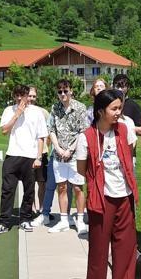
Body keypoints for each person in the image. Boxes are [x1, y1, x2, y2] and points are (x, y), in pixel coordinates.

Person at [76, 88, 139, 279]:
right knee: (99, 247)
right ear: (101, 111)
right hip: (101, 197)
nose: (118, 113)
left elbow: (129, 156)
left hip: (125, 196)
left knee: (125, 247)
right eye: (114, 109)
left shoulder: (125, 129)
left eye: (120, 108)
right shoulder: (86, 137)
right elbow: (82, 169)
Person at [0, 84, 47, 234]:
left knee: (29, 191)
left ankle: (25, 219)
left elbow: (41, 137)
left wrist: (39, 157)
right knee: (7, 190)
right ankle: (4, 222)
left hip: (30, 157)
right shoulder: (8, 110)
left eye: (22, 95)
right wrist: (17, 114)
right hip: (12, 155)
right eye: (16, 95)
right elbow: (4, 131)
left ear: (27, 95)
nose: (19, 98)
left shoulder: (37, 112)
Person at [47, 78, 88, 234]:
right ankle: (64, 220)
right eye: (60, 92)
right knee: (62, 187)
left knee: (78, 188)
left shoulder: (80, 107)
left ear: (71, 91)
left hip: (76, 155)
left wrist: (70, 149)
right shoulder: (55, 108)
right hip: (59, 155)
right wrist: (57, 148)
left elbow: (82, 131)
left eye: (65, 91)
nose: (63, 94)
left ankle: (80, 219)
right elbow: (51, 129)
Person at [27, 86, 49, 214]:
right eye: (30, 96)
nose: (31, 98)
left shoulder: (43, 112)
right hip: (28, 153)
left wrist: (46, 146)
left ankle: (42, 209)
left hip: (42, 153)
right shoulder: (22, 111)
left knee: (42, 183)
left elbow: (49, 131)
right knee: (29, 183)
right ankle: (32, 209)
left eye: (34, 96)